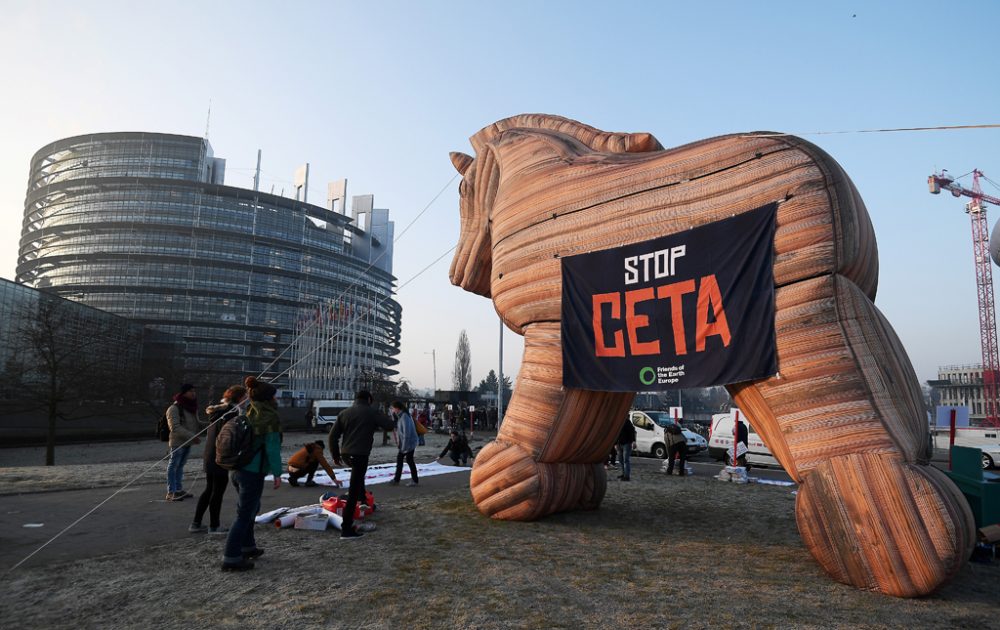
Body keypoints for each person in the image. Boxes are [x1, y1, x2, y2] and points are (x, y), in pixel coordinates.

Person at [221, 376, 282, 571]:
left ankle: (248, 547)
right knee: (245, 514)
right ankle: (231, 557)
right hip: (252, 471)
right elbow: (272, 447)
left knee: (251, 509)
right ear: (267, 399)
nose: (277, 400)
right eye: (274, 397)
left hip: (237, 469)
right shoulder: (269, 418)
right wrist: (278, 473)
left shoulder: (248, 412)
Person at [329, 390, 395, 539]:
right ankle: (346, 529)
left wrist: (335, 454)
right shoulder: (371, 412)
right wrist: (392, 415)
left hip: (346, 454)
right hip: (360, 454)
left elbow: (333, 435)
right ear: (369, 399)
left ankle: (363, 501)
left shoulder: (344, 413)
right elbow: (389, 426)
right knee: (353, 490)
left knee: (358, 480)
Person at [190, 385, 245, 534]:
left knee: (209, 489)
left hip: (210, 454)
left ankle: (196, 523)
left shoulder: (218, 411)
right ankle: (214, 525)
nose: (247, 400)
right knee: (217, 491)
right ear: (240, 398)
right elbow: (229, 437)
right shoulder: (231, 413)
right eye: (245, 397)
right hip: (220, 455)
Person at [165, 383, 202, 501]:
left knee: (180, 466)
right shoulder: (174, 408)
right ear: (184, 393)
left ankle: (179, 490)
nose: (193, 393)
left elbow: (197, 423)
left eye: (194, 391)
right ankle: (171, 492)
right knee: (173, 466)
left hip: (188, 442)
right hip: (177, 442)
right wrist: (192, 436)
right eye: (191, 391)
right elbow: (174, 427)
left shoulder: (191, 407)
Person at [389, 401, 419, 486]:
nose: (392, 410)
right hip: (405, 443)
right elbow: (400, 432)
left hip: (409, 443)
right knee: (402, 460)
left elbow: (407, 433)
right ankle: (397, 479)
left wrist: (404, 447)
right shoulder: (401, 416)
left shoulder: (405, 416)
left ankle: (414, 480)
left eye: (393, 408)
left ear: (397, 408)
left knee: (409, 460)